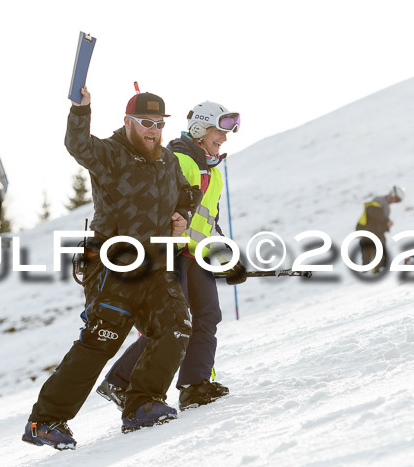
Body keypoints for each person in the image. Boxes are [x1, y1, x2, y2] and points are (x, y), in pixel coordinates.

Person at [22, 89, 201, 450]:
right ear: (128, 122)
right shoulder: (110, 153)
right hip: (111, 263)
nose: (153, 130)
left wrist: (184, 215)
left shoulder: (167, 160)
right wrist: (81, 109)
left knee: (176, 324)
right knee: (103, 339)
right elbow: (77, 144)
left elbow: (187, 193)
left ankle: (142, 404)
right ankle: (45, 421)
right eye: (145, 123)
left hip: (154, 264)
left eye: (159, 124)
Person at [97, 101, 246, 413]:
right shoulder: (178, 160)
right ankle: (120, 381)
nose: (224, 138)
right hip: (169, 254)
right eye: (219, 131)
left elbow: (207, 225)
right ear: (200, 129)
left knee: (206, 317)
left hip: (195, 256)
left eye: (226, 133)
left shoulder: (213, 173)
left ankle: (195, 386)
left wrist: (227, 260)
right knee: (170, 324)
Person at [356, 185, 405, 272]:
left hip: (376, 233)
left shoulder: (386, 207)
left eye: (398, 201)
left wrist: (387, 224)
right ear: (392, 194)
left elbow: (380, 219)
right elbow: (373, 213)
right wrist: (386, 221)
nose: (395, 202)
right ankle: (373, 273)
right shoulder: (379, 200)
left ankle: (376, 271)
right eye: (396, 200)